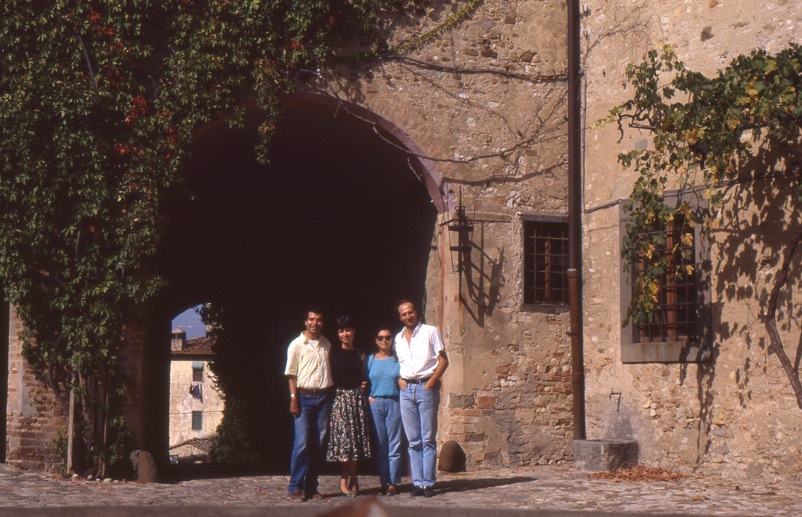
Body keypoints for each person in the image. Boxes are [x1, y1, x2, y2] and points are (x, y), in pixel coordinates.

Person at [395, 299, 448, 497]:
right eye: (403, 314)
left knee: (427, 438)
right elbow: (401, 364)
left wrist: (431, 382)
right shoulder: (398, 338)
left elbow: (444, 360)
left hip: (425, 387)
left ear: (416, 312)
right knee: (413, 440)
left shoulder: (430, 331)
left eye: (410, 312)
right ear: (400, 317)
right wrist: (399, 379)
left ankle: (429, 483)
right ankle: (417, 482)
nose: (408, 317)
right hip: (406, 390)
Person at [284, 308, 333, 502]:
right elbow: (291, 375)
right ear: (305, 321)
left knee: (318, 444)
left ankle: (312, 487)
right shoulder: (296, 345)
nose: (315, 323)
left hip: (323, 398)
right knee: (302, 444)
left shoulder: (327, 344)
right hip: (303, 398)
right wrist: (293, 398)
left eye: (319, 320)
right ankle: (295, 487)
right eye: (312, 319)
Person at [326, 315, 372, 497]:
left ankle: (350, 479)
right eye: (341, 331)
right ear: (338, 334)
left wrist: (365, 385)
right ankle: (348, 479)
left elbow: (367, 377)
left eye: (348, 330)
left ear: (354, 332)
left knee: (354, 444)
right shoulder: (333, 353)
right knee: (345, 443)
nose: (345, 334)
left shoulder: (361, 354)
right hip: (340, 399)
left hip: (356, 400)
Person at [367, 325, 403, 496]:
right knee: (381, 445)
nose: (384, 340)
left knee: (394, 444)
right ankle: (383, 480)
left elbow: (405, 377)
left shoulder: (398, 359)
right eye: (381, 338)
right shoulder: (370, 359)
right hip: (376, 403)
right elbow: (363, 379)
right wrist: (369, 396)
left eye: (388, 337)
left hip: (394, 402)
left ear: (392, 340)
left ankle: (393, 482)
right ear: (376, 340)